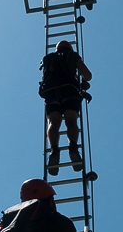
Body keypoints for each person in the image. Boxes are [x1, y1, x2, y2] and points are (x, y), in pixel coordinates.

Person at [38, 40, 92, 176]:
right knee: (71, 121)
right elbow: (88, 75)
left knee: (53, 123)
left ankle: (54, 151)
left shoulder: (48, 58)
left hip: (51, 93)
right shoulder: (71, 55)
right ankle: (73, 147)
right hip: (69, 90)